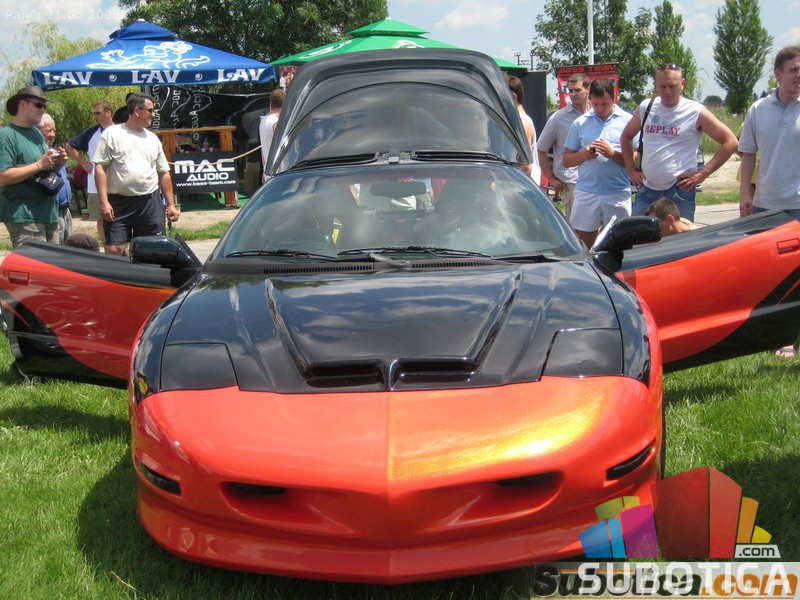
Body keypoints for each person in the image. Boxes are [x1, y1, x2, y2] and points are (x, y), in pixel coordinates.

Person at [739, 45, 800, 360]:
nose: (799, 76)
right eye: (794, 70)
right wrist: (745, 194)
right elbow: (748, 154)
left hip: (798, 205)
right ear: (778, 74)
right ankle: (776, 333)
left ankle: (790, 335)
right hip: (766, 206)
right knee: (772, 276)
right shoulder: (758, 109)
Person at [620, 63, 738, 221]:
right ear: (655, 86)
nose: (667, 91)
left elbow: (730, 142)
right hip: (647, 189)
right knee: (637, 233)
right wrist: (631, 170)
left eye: (672, 86)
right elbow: (626, 136)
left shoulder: (695, 111)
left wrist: (703, 174)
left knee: (680, 236)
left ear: (682, 84)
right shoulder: (646, 107)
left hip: (679, 191)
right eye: (663, 86)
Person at [93, 93, 180, 255]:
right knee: (114, 249)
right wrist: (104, 202)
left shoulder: (152, 139)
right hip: (119, 202)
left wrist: (171, 205)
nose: (154, 114)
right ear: (137, 111)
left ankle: (145, 271)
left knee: (153, 249)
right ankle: (122, 270)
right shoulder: (112, 134)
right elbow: (100, 169)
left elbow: (163, 172)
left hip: (149, 201)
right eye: (150, 110)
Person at [563, 78, 632, 248]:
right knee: (582, 244)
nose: (600, 109)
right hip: (587, 192)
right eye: (595, 104)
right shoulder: (580, 123)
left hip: (617, 193)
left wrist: (612, 154)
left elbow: (636, 160)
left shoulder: (627, 121)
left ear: (613, 98)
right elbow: (566, 160)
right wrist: (584, 154)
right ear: (590, 99)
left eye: (605, 104)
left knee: (619, 243)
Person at [0, 85, 67, 247]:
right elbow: (3, 177)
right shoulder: (7, 135)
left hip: (49, 214)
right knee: (35, 263)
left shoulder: (37, 133)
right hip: (25, 216)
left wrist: (58, 165)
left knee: (52, 263)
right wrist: (38, 164)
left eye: (44, 106)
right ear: (22, 104)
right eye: (38, 105)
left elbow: (43, 170)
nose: (42, 109)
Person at [537, 73, 591, 218]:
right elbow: (541, 148)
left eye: (577, 90)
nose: (572, 94)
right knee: (577, 227)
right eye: (570, 90)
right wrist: (551, 178)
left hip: (595, 179)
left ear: (588, 89)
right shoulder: (559, 117)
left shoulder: (596, 113)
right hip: (572, 183)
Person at [67, 100, 114, 245]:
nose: (95, 116)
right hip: (95, 185)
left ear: (108, 113)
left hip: (119, 183)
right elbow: (70, 146)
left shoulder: (121, 130)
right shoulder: (91, 132)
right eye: (94, 113)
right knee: (101, 218)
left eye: (98, 113)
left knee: (120, 218)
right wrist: (83, 163)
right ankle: (107, 248)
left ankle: (120, 249)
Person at [37, 114, 73, 244]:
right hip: (52, 211)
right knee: (57, 248)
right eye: (48, 130)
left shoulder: (55, 151)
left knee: (69, 247)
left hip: (65, 210)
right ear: (37, 131)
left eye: (54, 130)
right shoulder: (40, 155)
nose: (52, 134)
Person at [507, 75, 542, 185]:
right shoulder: (518, 121)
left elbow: (525, 167)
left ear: (513, 97)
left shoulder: (522, 123)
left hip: (522, 187)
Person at [259, 88, 285, 182]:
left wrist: (264, 170)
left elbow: (263, 149)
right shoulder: (277, 121)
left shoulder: (263, 120)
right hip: (279, 171)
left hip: (268, 170)